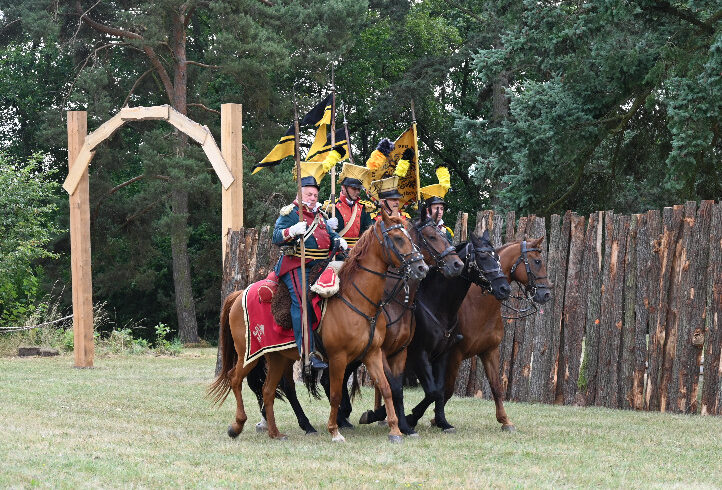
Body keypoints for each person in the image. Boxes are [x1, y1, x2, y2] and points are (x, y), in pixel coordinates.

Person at [272, 162, 347, 370]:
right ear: (300, 193)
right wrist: (293, 231)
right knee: (302, 301)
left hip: (321, 265)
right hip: (296, 264)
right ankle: (307, 351)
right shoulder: (290, 213)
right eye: (309, 194)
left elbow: (330, 237)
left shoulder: (320, 215)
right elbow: (276, 237)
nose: (313, 198)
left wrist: (338, 240)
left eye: (315, 195)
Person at [325, 163, 373, 249]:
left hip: (358, 252)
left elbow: (368, 234)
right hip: (338, 252)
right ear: (343, 188)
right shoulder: (332, 208)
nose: (357, 192)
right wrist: (326, 226)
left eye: (358, 189)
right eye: (354, 188)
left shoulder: (363, 208)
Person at [420, 166, 453, 242]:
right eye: (436, 208)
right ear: (428, 210)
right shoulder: (420, 228)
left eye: (441, 209)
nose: (440, 212)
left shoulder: (446, 232)